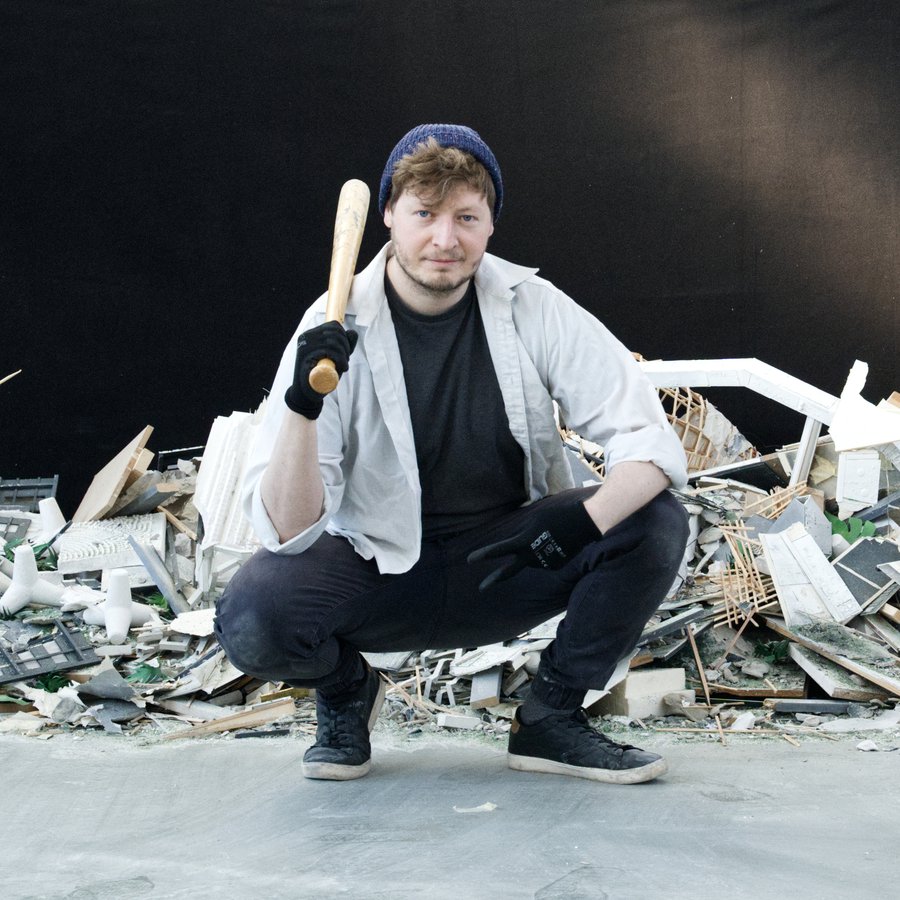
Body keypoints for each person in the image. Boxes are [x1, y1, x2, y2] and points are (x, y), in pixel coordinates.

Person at [215, 123, 690, 784]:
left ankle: (550, 719)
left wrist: (580, 522)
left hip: (505, 563)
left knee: (653, 520)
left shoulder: (533, 305)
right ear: (388, 216)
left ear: (491, 224)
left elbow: (651, 443)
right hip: (378, 573)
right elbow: (289, 533)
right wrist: (301, 407)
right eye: (425, 214)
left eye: (467, 216)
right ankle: (348, 689)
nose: (446, 239)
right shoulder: (332, 322)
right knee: (252, 616)